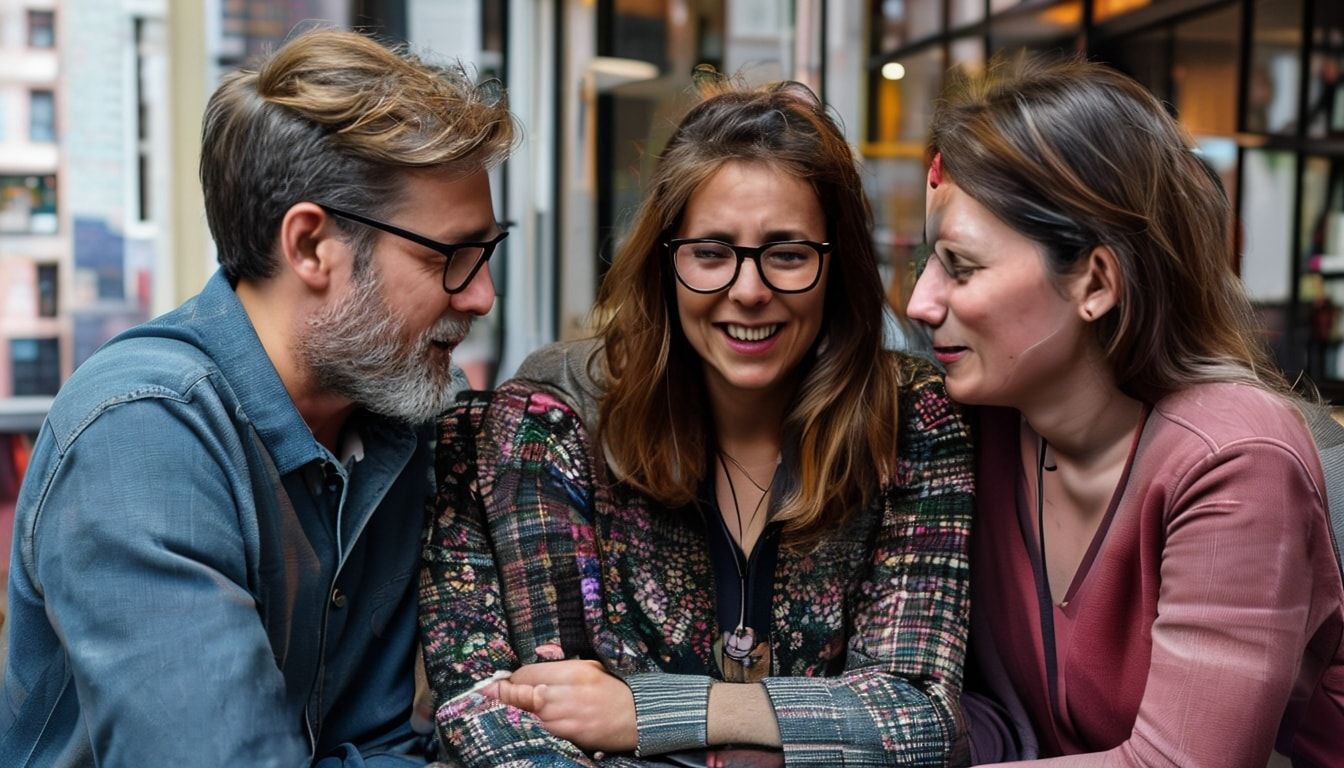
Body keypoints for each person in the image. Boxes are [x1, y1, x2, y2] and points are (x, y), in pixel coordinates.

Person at [419, 75, 975, 767]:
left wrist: (644, 710)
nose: (748, 291)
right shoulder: (550, 420)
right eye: (711, 253)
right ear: (666, 262)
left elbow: (917, 716)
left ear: (839, 266)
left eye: (788, 254)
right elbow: (515, 724)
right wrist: (805, 733)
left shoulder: (910, 420)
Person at [0, 29, 515, 767]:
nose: (484, 294)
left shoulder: (396, 416)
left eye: (488, 252)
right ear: (309, 246)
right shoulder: (142, 435)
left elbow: (382, 743)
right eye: (449, 257)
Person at [905, 57, 1344, 766]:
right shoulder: (978, 427)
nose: (920, 303)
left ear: (1097, 281)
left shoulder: (1234, 460)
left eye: (960, 267)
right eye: (927, 264)